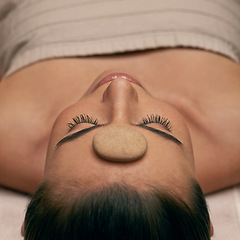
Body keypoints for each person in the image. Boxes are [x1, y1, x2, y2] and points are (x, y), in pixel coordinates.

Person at [0, 0, 240, 239]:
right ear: (209, 225)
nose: (120, 87)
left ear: (25, 228)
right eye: (157, 124)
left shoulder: (8, 135)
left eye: (81, 125)